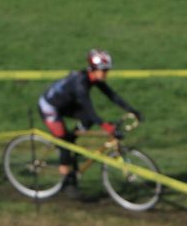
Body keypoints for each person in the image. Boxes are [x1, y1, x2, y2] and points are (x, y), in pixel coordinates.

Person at [38, 50, 142, 193]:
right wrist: (106, 126)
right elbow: (89, 110)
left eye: (107, 70)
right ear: (94, 69)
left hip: (65, 104)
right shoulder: (81, 83)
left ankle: (72, 140)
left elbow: (112, 96)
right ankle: (67, 180)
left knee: (85, 122)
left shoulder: (93, 78)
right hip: (50, 107)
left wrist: (132, 110)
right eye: (104, 70)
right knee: (64, 141)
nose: (106, 74)